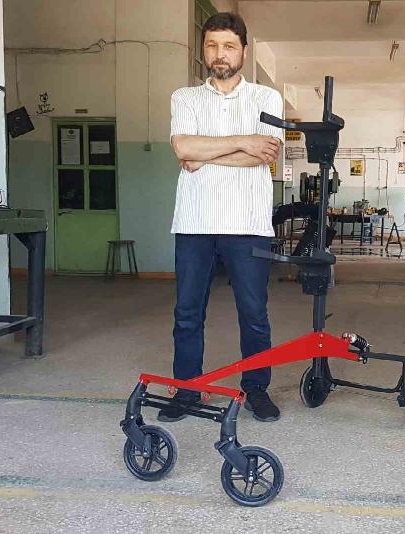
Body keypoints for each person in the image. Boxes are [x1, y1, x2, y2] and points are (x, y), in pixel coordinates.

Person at [160, 12, 283, 423]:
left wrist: (206, 153)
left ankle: (257, 389)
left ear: (243, 51)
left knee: (254, 313)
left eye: (229, 46)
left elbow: (264, 156)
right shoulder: (185, 98)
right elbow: (183, 149)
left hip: (248, 223)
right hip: (194, 223)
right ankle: (187, 389)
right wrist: (244, 141)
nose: (220, 53)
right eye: (212, 45)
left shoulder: (265, 98)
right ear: (203, 50)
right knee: (187, 314)